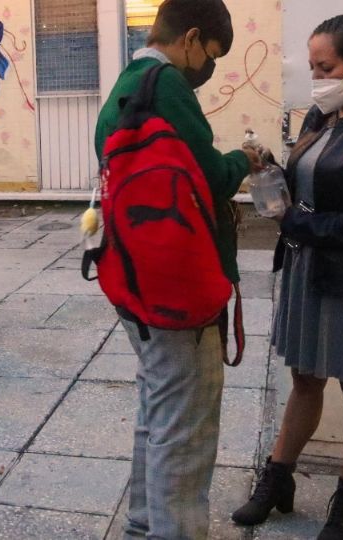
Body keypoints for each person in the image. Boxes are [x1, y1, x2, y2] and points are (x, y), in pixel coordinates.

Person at [93, 1, 261, 537]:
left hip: (135, 277)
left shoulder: (128, 79)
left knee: (158, 412)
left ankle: (144, 523)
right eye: (211, 55)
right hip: (177, 288)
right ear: (191, 38)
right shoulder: (167, 84)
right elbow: (209, 175)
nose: (207, 69)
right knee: (185, 430)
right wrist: (244, 160)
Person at [232, 15, 343, 540]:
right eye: (311, 66)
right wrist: (271, 173)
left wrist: (295, 221)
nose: (316, 77)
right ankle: (278, 479)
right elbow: (309, 184)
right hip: (308, 265)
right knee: (305, 378)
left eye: (325, 66)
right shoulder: (320, 116)